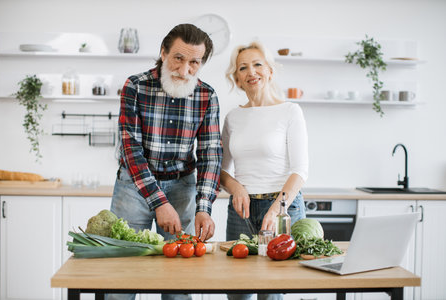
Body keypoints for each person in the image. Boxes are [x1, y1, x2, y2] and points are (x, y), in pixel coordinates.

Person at [109, 24, 222, 300]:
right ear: (163, 53)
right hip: (133, 186)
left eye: (194, 62)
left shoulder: (207, 96)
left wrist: (204, 207)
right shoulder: (135, 86)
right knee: (121, 278)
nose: (185, 70)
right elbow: (130, 150)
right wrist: (159, 202)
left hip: (182, 187)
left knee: (179, 283)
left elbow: (210, 154)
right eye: (178, 58)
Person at [221, 41, 309, 300]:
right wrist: (236, 187)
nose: (251, 72)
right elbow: (222, 170)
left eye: (258, 64)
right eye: (243, 68)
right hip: (242, 211)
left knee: (271, 293)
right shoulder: (232, 118)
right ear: (237, 78)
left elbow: (300, 170)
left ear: (269, 70)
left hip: (282, 208)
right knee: (237, 291)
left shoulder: (290, 111)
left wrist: (277, 208)